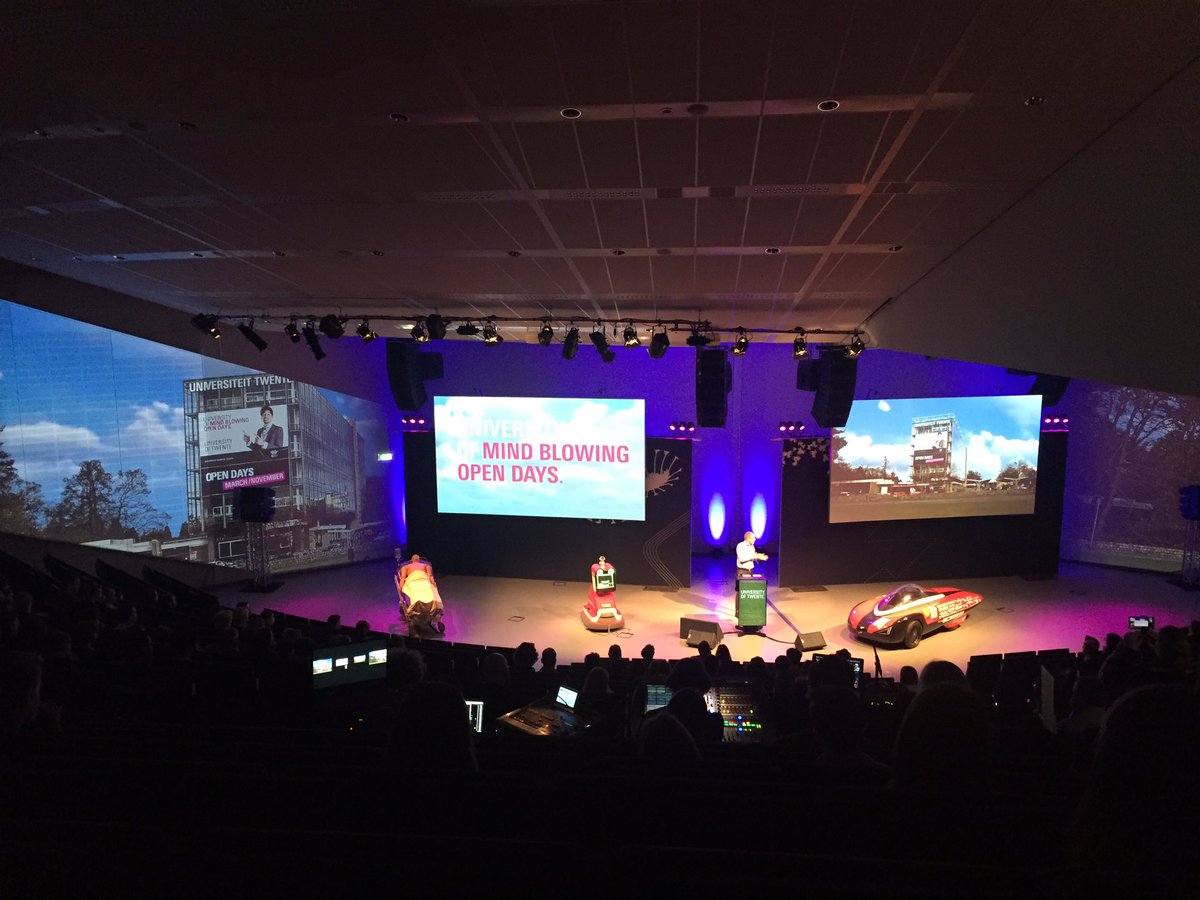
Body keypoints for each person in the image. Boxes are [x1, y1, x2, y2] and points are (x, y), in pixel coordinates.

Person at [395, 553, 444, 634]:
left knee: (425, 590)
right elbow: (431, 577)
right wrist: (433, 584)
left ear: (411, 560)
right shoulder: (425, 565)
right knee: (426, 590)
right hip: (414, 581)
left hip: (420, 581)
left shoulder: (407, 566)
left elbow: (403, 578)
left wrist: (400, 587)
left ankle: (419, 604)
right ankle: (432, 603)